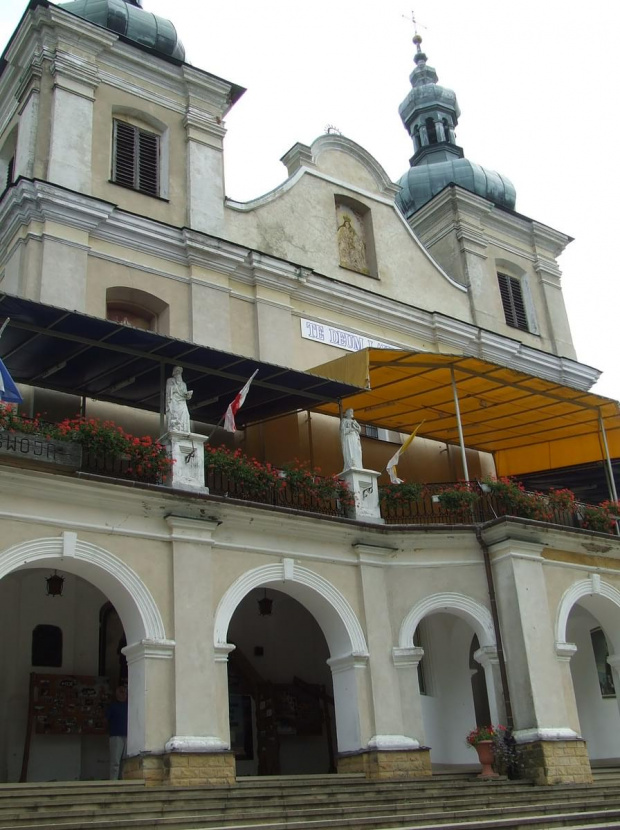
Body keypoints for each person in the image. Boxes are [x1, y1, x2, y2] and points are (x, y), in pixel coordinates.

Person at [107, 684, 128, 780]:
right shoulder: (112, 706)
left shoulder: (129, 706)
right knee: (115, 761)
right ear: (116, 693)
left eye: (125, 692)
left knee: (125, 760)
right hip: (116, 735)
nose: (123, 694)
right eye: (121, 692)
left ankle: (123, 780)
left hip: (128, 736)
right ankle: (113, 781)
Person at [165, 366, 193, 433]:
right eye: (177, 371)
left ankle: (184, 429)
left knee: (185, 414)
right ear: (174, 372)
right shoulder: (170, 380)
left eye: (180, 371)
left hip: (182, 402)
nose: (178, 373)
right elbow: (169, 391)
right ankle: (175, 427)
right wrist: (175, 386)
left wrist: (188, 395)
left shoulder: (184, 384)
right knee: (175, 414)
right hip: (174, 401)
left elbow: (185, 395)